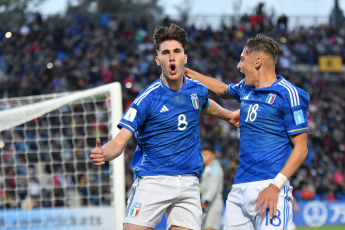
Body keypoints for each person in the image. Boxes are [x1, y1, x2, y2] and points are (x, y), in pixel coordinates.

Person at [90, 23, 239, 230]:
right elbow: (119, 141)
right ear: (158, 60)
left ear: (184, 58)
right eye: (166, 52)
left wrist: (228, 115)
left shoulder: (197, 90)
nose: (172, 57)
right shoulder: (147, 99)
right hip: (153, 179)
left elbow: (203, 105)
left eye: (177, 52)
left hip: (188, 181)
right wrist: (104, 152)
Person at [185, 34, 309, 230]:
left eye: (242, 59)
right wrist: (186, 72)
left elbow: (301, 149)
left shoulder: (288, 94)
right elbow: (222, 90)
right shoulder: (246, 89)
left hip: (270, 186)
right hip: (239, 190)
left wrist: (275, 186)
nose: (238, 66)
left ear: (258, 62)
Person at [200, 146, 224, 230]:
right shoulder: (209, 167)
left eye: (206, 154)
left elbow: (214, 186)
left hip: (213, 202)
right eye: (202, 154)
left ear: (213, 156)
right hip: (208, 203)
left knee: (209, 227)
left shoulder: (215, 168)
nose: (203, 157)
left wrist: (206, 201)